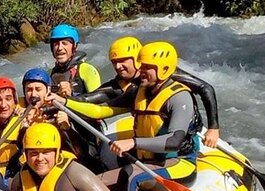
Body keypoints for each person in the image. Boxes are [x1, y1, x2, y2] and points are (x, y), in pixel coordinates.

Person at [51, 41, 202, 191]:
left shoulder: (179, 97)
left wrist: (133, 142)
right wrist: (65, 102)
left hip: (178, 164)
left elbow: (174, 141)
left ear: (164, 69)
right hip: (145, 163)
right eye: (141, 65)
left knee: (132, 176)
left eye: (147, 67)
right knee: (92, 182)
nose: (141, 70)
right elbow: (99, 111)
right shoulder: (138, 92)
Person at [77, 35, 221, 149]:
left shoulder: (166, 75)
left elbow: (205, 88)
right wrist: (66, 99)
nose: (118, 66)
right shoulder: (118, 86)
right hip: (151, 135)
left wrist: (213, 128)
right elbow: (88, 99)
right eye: (114, 62)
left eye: (123, 60)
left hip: (182, 134)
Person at [48, 24, 101, 97]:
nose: (60, 48)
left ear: (74, 46)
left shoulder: (87, 70)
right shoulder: (53, 73)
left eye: (64, 43)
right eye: (56, 44)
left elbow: (98, 101)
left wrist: (72, 94)